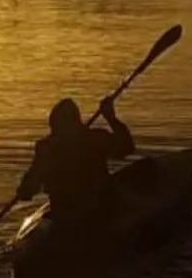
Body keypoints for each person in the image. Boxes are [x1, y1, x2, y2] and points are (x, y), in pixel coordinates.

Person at [15, 94, 135, 222]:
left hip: (68, 212)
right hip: (96, 210)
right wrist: (111, 118)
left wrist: (26, 187)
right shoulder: (95, 139)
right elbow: (126, 147)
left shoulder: (47, 149)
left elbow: (27, 191)